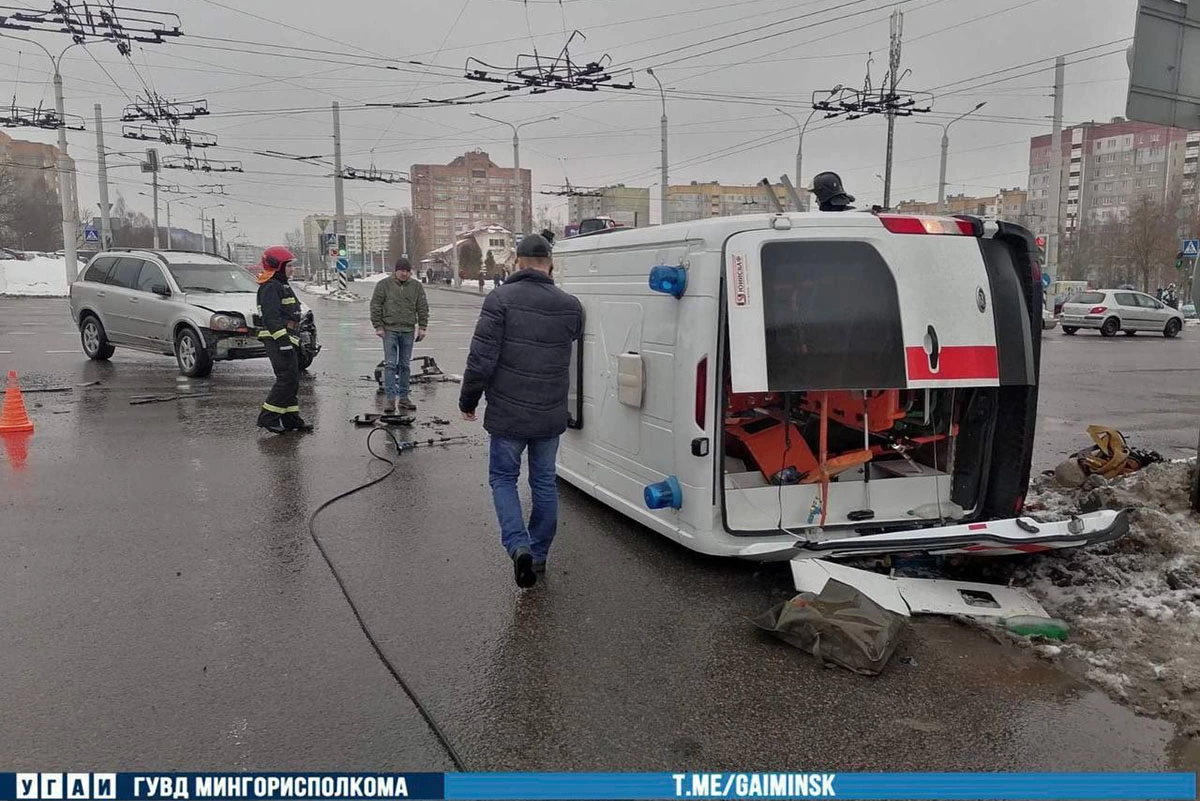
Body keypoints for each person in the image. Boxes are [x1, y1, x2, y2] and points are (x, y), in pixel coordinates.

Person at [459, 233, 583, 588]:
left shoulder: (499, 300)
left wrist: (468, 400)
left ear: (518, 262)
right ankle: (539, 554)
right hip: (549, 413)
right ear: (550, 264)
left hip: (508, 414)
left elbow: (481, 359)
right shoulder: (570, 305)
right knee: (544, 482)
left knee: (503, 479)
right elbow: (570, 338)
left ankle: (519, 547)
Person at [255, 246, 313, 434]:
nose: (292, 269)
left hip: (288, 337)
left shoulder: (282, 285)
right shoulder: (271, 286)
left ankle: (290, 419)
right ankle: (268, 417)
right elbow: (271, 318)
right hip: (278, 339)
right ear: (277, 267)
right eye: (288, 266)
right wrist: (283, 341)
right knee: (285, 379)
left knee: (292, 380)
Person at [370, 257, 429, 413]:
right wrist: (378, 326)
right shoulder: (384, 285)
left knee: (405, 365)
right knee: (390, 364)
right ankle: (390, 399)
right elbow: (375, 305)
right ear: (395, 271)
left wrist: (422, 327)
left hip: (408, 330)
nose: (404, 274)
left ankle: (403, 398)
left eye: (407, 271)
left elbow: (422, 307)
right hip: (390, 330)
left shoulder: (416, 286)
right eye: (402, 271)